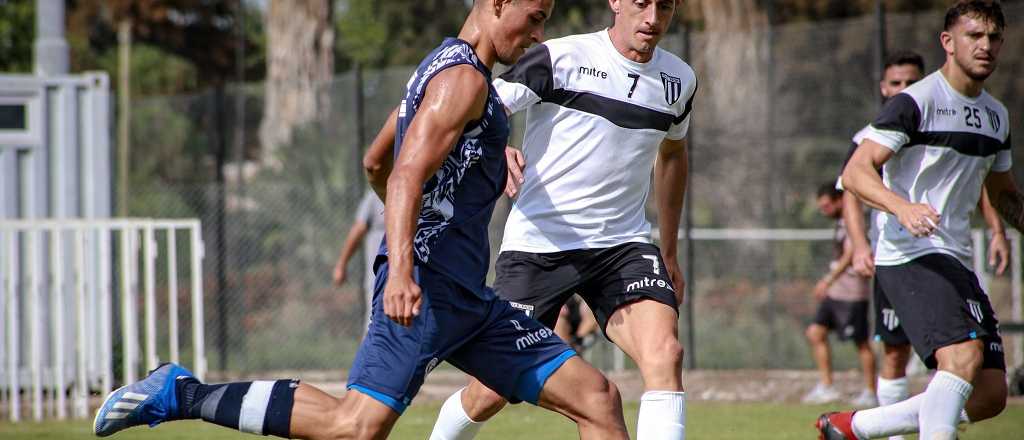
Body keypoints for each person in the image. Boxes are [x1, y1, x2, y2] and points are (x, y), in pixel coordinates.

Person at [93, 2, 632, 439]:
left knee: (597, 399)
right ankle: (181, 394)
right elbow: (400, 177)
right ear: (498, 3)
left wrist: (447, 191)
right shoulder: (462, 81)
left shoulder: (442, 69)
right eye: (534, 17)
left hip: (468, 300)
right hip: (423, 288)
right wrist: (402, 269)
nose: (539, 35)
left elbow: (377, 161)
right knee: (353, 426)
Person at [426, 0, 695, 438]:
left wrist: (669, 250)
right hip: (539, 247)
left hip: (622, 246)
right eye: (641, 3)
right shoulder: (561, 58)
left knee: (665, 353)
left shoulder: (679, 81)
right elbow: (478, 103)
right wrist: (498, 144)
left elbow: (673, 153)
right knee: (490, 392)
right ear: (616, 1)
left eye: (664, 6)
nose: (652, 18)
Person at [818, 1, 1013, 438]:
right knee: (959, 357)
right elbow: (854, 174)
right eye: (974, 36)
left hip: (956, 259)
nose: (985, 46)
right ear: (948, 42)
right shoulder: (917, 101)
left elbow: (1002, 193)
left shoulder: (997, 117)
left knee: (989, 394)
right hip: (911, 255)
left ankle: (858, 427)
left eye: (994, 37)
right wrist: (901, 207)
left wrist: (1004, 226)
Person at [802, 183, 876, 407]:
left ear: (840, 200)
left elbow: (851, 252)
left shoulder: (855, 220)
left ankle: (872, 391)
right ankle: (827, 387)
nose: (824, 211)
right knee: (815, 333)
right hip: (836, 293)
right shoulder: (841, 223)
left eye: (826, 205)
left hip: (852, 293)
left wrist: (828, 279)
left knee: (861, 342)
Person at [332, 189, 386, 330]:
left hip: (384, 276)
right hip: (380, 275)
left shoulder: (376, 195)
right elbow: (359, 228)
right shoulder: (373, 197)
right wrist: (341, 264)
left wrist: (341, 264)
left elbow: (359, 229)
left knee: (375, 327)